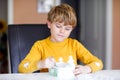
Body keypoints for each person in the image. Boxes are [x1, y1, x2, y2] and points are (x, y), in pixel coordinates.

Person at [18, 3, 103, 75]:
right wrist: (40, 64)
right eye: (58, 26)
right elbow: (22, 68)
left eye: (67, 29)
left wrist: (87, 68)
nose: (62, 31)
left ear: (72, 29)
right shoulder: (40, 46)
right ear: (49, 24)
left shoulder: (74, 45)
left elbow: (98, 63)